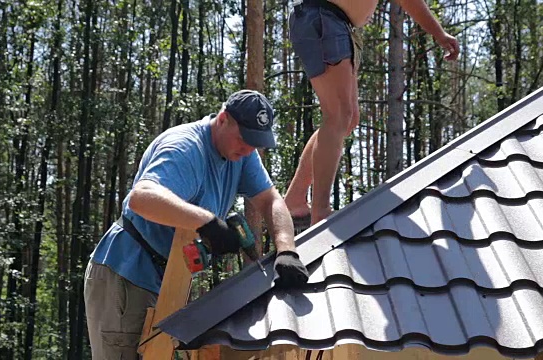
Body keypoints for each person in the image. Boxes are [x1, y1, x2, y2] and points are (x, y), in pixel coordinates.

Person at [84, 89, 310, 359]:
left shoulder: (243, 154)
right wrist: (207, 222)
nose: (248, 148)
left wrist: (286, 251)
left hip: (168, 279)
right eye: (243, 139)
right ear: (224, 119)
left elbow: (271, 199)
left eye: (255, 142)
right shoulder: (185, 148)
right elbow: (141, 198)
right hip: (126, 275)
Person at [285, 0, 460, 227]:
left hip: (330, 20)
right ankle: (320, 213)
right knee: (338, 115)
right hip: (323, 17)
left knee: (346, 119)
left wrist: (438, 33)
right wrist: (439, 33)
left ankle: (296, 199)